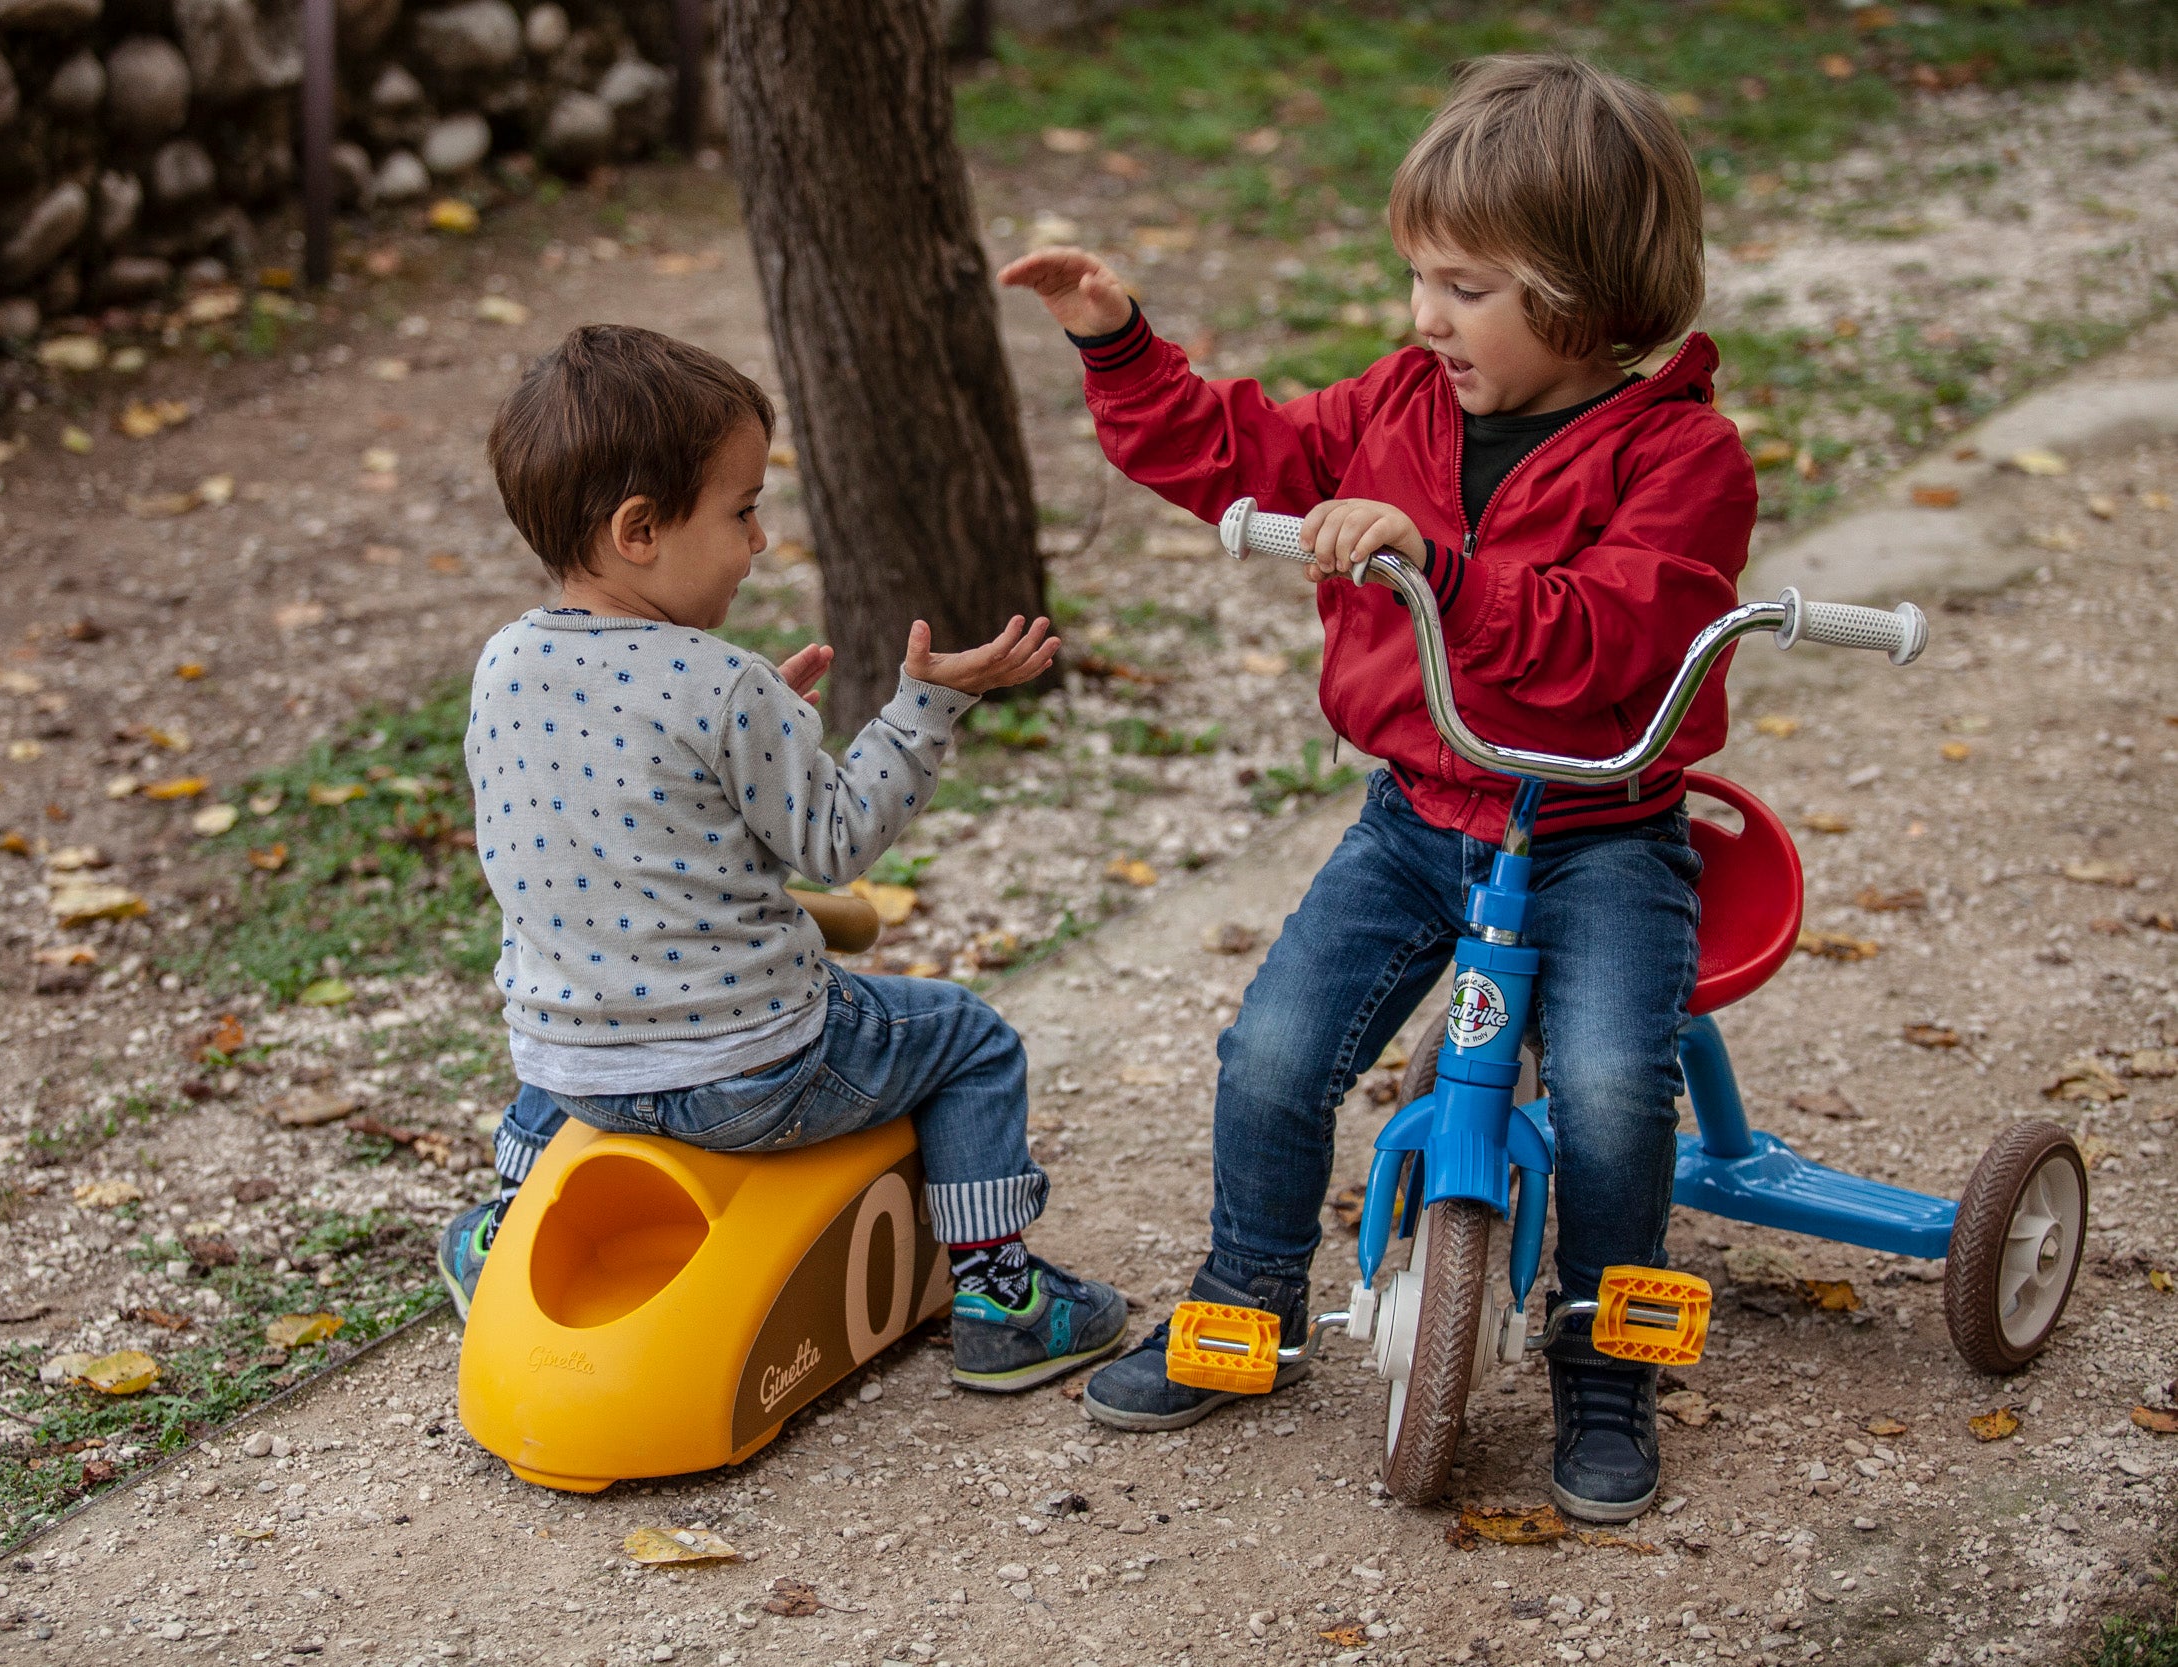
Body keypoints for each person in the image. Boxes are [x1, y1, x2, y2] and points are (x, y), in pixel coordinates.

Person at [999, 54, 1754, 1519]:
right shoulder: (1400, 401)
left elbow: (1604, 641)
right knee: (1273, 1053)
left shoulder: (1684, 459)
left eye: (1466, 286)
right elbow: (1241, 454)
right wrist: (1118, 343)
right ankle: (1250, 1301)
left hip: (1596, 833)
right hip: (1420, 819)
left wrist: (1433, 563)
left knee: (1609, 1091)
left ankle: (1605, 1357)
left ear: (1588, 292)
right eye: (1418, 276)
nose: (1424, 315)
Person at [435, 323, 1126, 1392]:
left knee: (575, 997)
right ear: (639, 530)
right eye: (743, 510)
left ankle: (504, 1228)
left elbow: (610, 827)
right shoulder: (722, 683)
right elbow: (839, 840)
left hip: (570, 1071)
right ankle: (1002, 1293)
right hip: (751, 1072)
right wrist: (929, 707)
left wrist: (742, 753)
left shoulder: (504, 663)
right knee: (972, 1039)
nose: (759, 540)